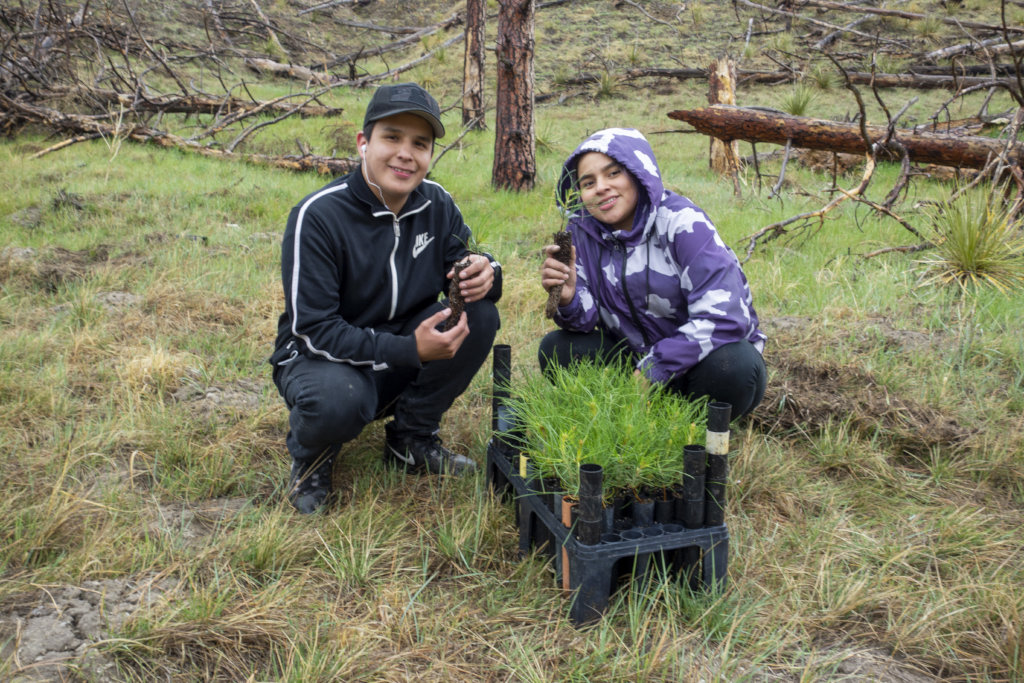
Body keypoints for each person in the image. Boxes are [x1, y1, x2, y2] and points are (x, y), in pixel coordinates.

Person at [270, 83, 502, 514]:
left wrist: (487, 271)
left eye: (420, 143)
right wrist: (410, 349)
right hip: (321, 358)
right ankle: (312, 459)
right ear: (364, 143)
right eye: (391, 137)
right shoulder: (318, 215)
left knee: (479, 315)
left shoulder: (437, 203)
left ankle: (411, 438)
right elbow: (313, 329)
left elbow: (465, 264)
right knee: (339, 399)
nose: (405, 154)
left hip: (398, 344)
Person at [538, 127, 765, 418]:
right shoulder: (580, 235)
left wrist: (655, 367)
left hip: (700, 364)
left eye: (613, 173)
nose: (601, 187)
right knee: (558, 348)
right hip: (634, 363)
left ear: (637, 172)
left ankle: (700, 430)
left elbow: (726, 317)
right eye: (588, 182)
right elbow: (584, 323)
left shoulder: (683, 223)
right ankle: (622, 420)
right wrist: (568, 298)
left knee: (735, 366)